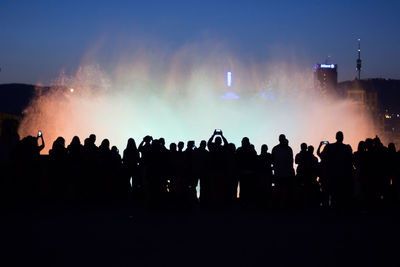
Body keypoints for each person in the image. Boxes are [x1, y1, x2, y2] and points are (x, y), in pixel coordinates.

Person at [318, 131, 353, 208]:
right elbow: (350, 161)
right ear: (343, 138)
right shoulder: (347, 148)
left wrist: (320, 146)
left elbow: (321, 155)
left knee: (332, 195)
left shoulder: (329, 147)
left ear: (336, 137)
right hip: (343, 176)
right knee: (341, 196)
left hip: (332, 175)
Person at [272, 134, 295, 208]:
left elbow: (291, 161)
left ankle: (282, 205)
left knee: (283, 189)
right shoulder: (287, 149)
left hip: (283, 173)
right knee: (281, 189)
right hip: (281, 173)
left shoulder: (277, 148)